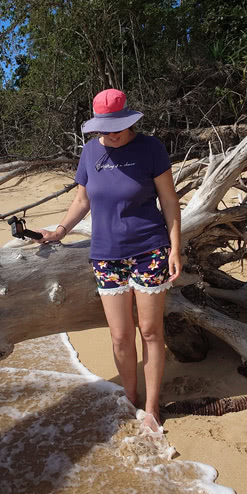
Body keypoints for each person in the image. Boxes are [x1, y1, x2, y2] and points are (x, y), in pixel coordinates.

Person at [37, 88, 182, 432]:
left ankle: (151, 408)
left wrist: (176, 248)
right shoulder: (90, 152)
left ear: (128, 120)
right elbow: (81, 201)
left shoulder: (151, 148)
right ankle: (129, 399)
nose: (110, 133)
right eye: (103, 128)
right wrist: (59, 230)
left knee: (150, 331)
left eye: (115, 126)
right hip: (105, 255)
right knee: (119, 337)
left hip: (149, 249)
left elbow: (170, 202)